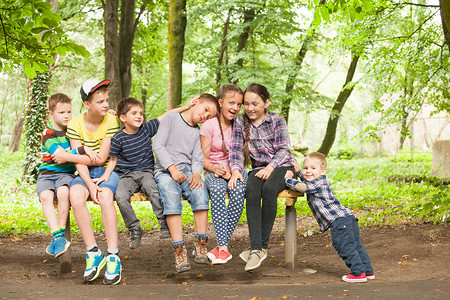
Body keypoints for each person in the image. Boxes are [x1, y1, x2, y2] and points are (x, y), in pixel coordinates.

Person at [97, 96, 195, 249]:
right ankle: (135, 229)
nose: (139, 116)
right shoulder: (117, 138)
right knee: (120, 196)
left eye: (141, 113)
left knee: (153, 190)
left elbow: (167, 114)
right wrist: (105, 175)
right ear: (122, 118)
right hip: (126, 176)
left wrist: (187, 106)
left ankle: (163, 223)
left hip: (146, 172)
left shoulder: (146, 129)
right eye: (134, 113)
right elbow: (113, 160)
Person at [53, 78, 122, 285]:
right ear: (87, 104)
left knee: (106, 195)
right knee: (75, 195)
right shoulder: (75, 124)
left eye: (106, 100)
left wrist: (67, 157)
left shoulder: (111, 121)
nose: (106, 105)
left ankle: (113, 255)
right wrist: (89, 184)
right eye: (100, 101)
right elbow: (80, 160)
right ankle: (93, 252)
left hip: (107, 172)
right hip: (83, 174)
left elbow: (101, 158)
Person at [228, 83, 296, 271]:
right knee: (251, 190)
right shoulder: (241, 122)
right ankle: (256, 248)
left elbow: (283, 150)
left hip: (282, 165)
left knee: (268, 189)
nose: (250, 108)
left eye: (255, 104)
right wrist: (235, 169)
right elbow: (235, 149)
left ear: (266, 102)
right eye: (247, 104)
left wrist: (270, 167)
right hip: (259, 168)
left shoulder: (277, 120)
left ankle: (261, 247)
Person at [153, 93, 219, 273]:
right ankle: (179, 250)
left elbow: (197, 158)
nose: (205, 116)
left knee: (200, 192)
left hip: (187, 170)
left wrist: (197, 173)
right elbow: (158, 145)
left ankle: (201, 244)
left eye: (210, 117)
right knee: (171, 196)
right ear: (195, 102)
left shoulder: (199, 132)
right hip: (166, 170)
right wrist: (173, 169)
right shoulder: (172, 118)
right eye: (206, 110)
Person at [285, 152, 374, 283]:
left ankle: (358, 273)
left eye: (313, 168)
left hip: (339, 222)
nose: (308, 171)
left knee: (345, 247)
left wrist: (286, 179)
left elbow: (303, 186)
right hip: (347, 218)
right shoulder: (318, 181)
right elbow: (307, 180)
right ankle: (367, 271)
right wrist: (299, 172)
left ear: (323, 171)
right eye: (306, 168)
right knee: (356, 246)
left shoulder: (318, 184)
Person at [37, 93, 99, 258]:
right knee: (45, 196)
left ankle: (59, 236)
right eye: (61, 112)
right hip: (47, 174)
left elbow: (91, 118)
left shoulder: (72, 131)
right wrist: (83, 149)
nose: (67, 116)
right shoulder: (47, 133)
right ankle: (57, 236)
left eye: (69, 112)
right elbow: (59, 154)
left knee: (64, 193)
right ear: (51, 114)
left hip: (66, 174)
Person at [200, 84, 247, 264]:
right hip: (214, 172)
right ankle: (224, 248)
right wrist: (214, 169)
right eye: (231, 103)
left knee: (238, 192)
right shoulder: (209, 126)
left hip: (236, 171)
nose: (235, 108)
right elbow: (202, 159)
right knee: (219, 191)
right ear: (220, 102)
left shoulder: (241, 125)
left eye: (239, 104)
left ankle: (221, 247)